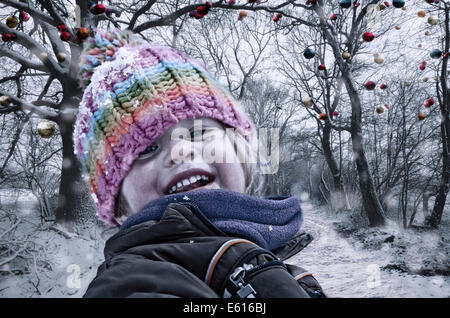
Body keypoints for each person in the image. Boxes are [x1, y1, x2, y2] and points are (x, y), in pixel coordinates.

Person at [73, 28, 325, 298]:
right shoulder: (134, 281)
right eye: (147, 148)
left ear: (238, 150)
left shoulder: (263, 252)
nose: (180, 150)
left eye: (197, 132)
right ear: (119, 203)